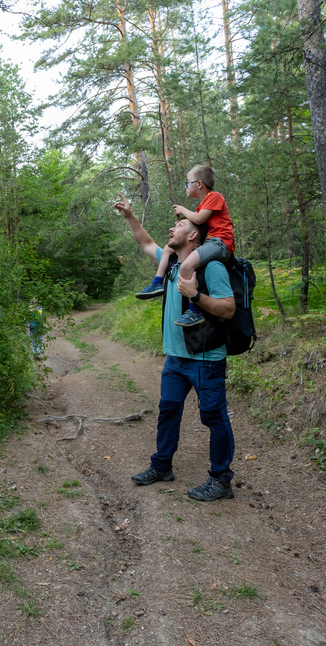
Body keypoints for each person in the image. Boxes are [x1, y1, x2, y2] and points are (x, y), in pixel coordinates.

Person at [113, 193, 237, 502]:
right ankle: (162, 466)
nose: (172, 228)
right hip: (175, 359)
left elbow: (228, 309)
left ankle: (221, 480)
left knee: (214, 417)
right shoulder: (169, 265)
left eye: (179, 225)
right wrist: (130, 216)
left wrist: (196, 296)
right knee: (168, 411)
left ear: (193, 235)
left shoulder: (211, 268)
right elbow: (145, 243)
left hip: (206, 358)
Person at [134, 165, 235, 329]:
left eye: (188, 183)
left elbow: (199, 219)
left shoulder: (214, 196)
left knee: (186, 266)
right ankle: (157, 282)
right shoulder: (201, 206)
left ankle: (194, 310)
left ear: (199, 184)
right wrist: (181, 224)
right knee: (168, 249)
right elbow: (197, 224)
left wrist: (183, 210)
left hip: (220, 242)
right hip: (210, 242)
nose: (186, 186)